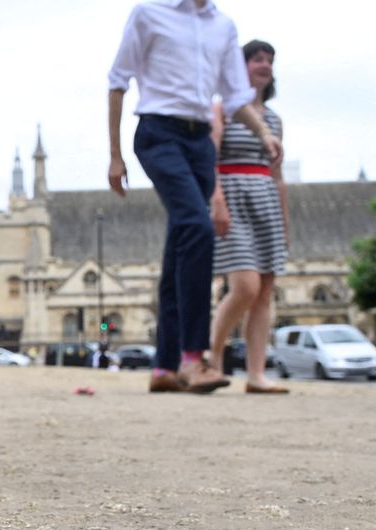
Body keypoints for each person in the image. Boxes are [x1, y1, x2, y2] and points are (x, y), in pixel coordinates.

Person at [108, 0, 282, 393]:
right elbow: (118, 81)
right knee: (197, 228)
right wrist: (116, 155)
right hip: (158, 132)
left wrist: (263, 133)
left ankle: (163, 367)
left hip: (200, 142)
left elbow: (236, 97)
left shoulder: (222, 25)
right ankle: (193, 357)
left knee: (178, 249)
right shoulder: (148, 14)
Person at [207, 39, 290, 394]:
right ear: (240, 68)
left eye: (269, 60)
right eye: (257, 59)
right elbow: (209, 157)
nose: (265, 65)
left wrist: (285, 223)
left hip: (265, 199)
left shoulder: (273, 119)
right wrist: (216, 199)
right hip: (233, 194)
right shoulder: (222, 109)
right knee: (244, 286)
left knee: (265, 292)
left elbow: (278, 176)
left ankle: (256, 374)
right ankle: (212, 359)